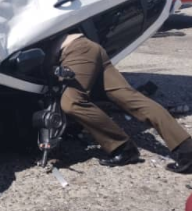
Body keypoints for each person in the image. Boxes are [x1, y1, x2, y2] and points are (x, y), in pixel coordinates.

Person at [54, 33, 192, 173]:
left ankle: (121, 146)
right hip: (86, 46)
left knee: (72, 103)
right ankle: (187, 149)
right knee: (131, 99)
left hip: (74, 50)